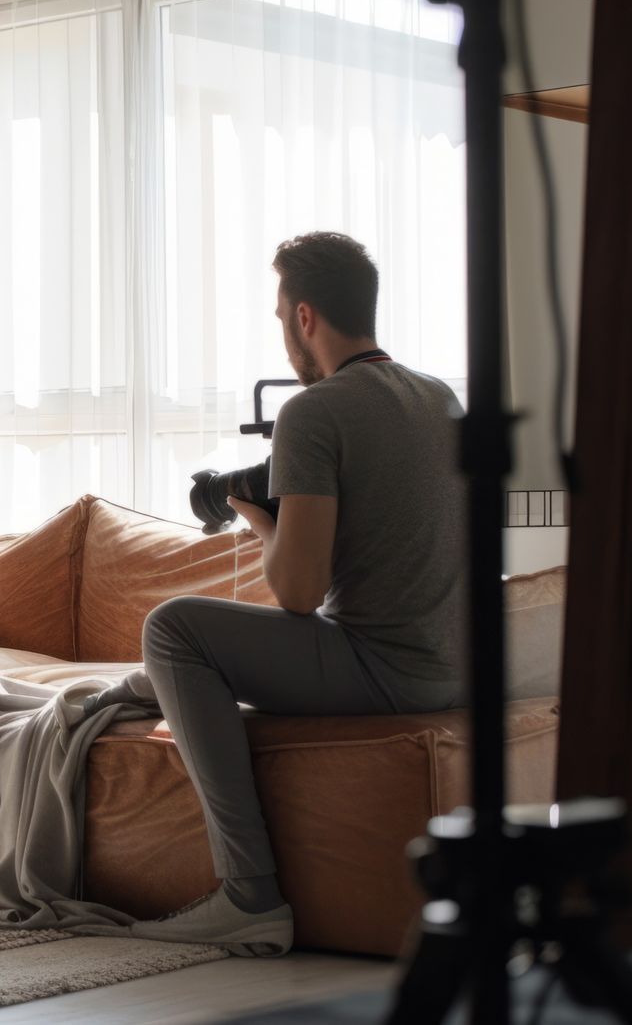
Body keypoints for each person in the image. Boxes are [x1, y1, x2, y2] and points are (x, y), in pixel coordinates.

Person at [88, 231, 467, 956]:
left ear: (303, 317)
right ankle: (146, 692)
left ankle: (249, 897)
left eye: (277, 314)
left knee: (174, 628)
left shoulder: (313, 412)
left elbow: (297, 592)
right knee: (192, 649)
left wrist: (262, 523)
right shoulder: (438, 397)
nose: (281, 330)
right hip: (454, 664)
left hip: (383, 668)